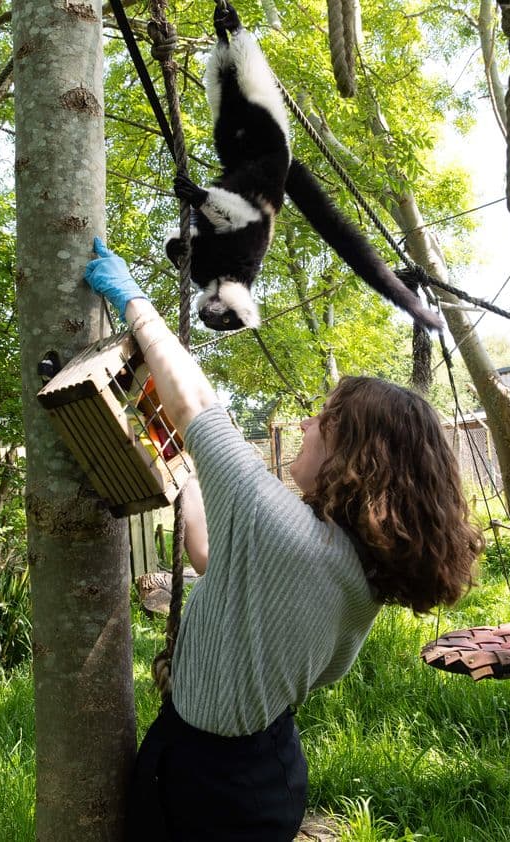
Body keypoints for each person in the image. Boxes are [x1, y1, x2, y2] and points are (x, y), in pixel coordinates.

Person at [84, 238, 483, 841]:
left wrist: (133, 300)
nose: (304, 424)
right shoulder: (352, 565)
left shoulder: (278, 524)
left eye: (322, 418)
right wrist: (184, 472)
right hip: (261, 764)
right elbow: (216, 559)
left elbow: (194, 400)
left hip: (209, 787)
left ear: (356, 453)